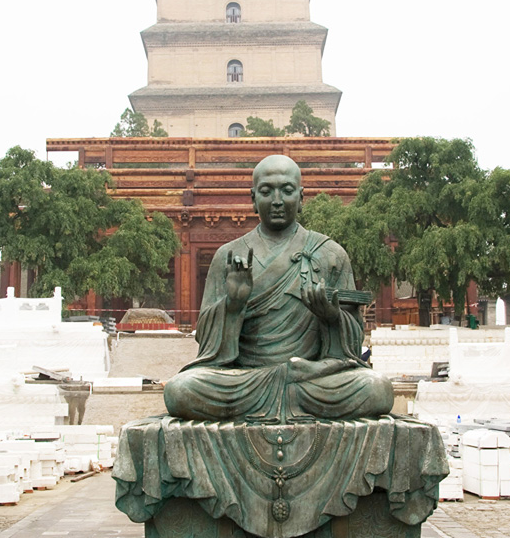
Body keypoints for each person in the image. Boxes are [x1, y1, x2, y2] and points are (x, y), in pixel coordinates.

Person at [164, 155, 394, 421]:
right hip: (247, 378)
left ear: (301, 197)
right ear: (253, 198)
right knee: (179, 390)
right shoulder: (229, 256)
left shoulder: (330, 253)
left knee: (378, 388)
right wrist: (233, 305)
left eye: (286, 190)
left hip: (308, 377)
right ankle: (286, 398)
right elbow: (206, 342)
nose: (276, 200)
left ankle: (283, 396)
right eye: (266, 191)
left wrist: (331, 317)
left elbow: (352, 346)